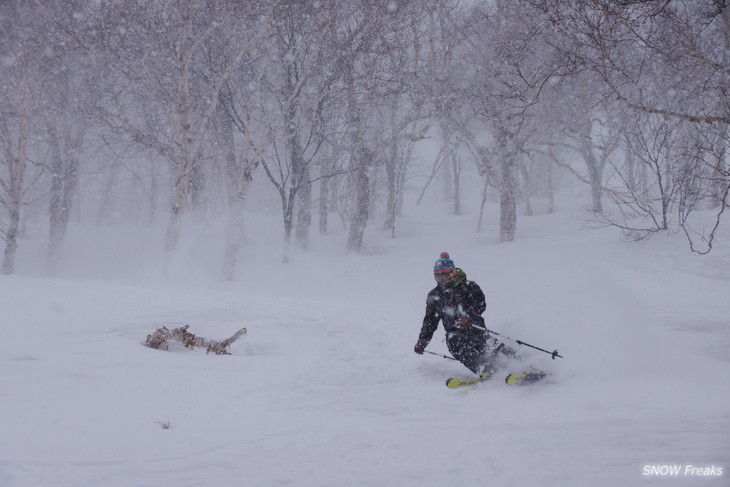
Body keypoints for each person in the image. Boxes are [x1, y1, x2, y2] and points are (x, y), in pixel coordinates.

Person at [414, 252, 516, 377]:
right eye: (438, 277)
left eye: (445, 276)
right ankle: (484, 368)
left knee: (489, 346)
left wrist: (468, 317)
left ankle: (522, 361)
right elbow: (430, 321)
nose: (442, 280)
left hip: (474, 327)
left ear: (453, 273)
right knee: (453, 341)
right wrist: (422, 342)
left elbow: (480, 304)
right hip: (455, 332)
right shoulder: (434, 296)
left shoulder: (468, 286)